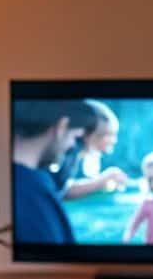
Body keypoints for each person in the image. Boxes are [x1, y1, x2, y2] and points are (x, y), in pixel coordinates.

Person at [12, 99, 96, 244]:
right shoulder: (33, 194)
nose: (71, 146)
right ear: (61, 127)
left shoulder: (23, 183)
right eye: (74, 137)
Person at [55, 99, 129, 199]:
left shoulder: (74, 152)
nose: (114, 141)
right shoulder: (71, 151)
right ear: (92, 134)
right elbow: (60, 190)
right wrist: (102, 181)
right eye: (109, 135)